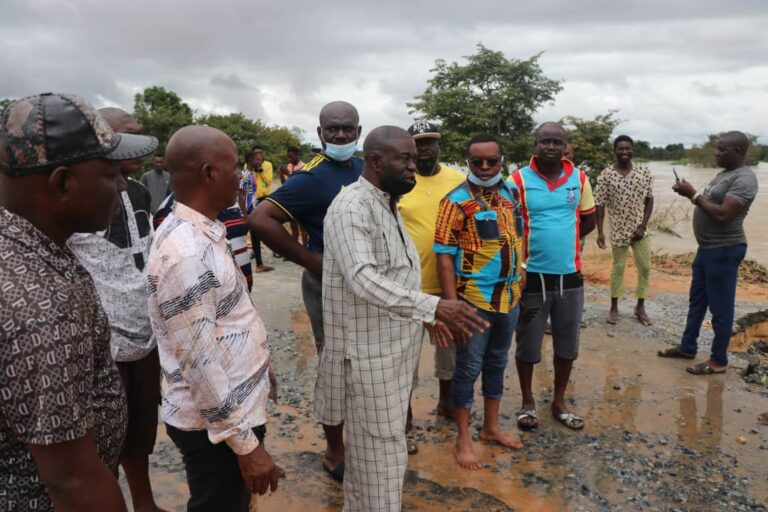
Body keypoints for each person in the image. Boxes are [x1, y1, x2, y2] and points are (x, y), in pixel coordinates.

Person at [316, 125, 489, 510]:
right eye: (405, 159)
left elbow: (396, 275)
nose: (415, 166)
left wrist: (424, 318)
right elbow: (363, 279)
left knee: (372, 464)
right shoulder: (352, 208)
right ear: (375, 161)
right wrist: (434, 307)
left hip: (391, 359)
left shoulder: (387, 204)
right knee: (382, 461)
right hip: (367, 364)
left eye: (415, 158)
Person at [0, 92, 157, 511]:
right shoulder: (41, 308)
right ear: (63, 183)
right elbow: (71, 482)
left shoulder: (27, 247)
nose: (123, 184)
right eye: (109, 174)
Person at [146, 126, 283, 511]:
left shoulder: (204, 230)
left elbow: (224, 322)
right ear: (208, 173)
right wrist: (246, 446)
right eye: (234, 166)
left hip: (228, 413)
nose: (241, 174)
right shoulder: (186, 253)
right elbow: (199, 363)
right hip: (214, 427)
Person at [250, 100, 364, 482]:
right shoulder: (312, 176)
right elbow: (262, 218)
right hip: (328, 286)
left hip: (364, 284)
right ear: (320, 133)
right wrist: (311, 260)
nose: (341, 136)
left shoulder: (364, 168)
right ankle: (334, 449)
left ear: (359, 132)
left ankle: (360, 438)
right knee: (335, 367)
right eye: (333, 129)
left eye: (348, 128)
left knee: (363, 365)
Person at [67, 107, 167, 512]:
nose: (140, 146)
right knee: (101, 433)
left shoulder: (140, 192)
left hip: (143, 330)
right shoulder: (79, 196)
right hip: (101, 339)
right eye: (129, 137)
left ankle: (144, 502)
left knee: (140, 428)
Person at [434, 133, 525, 469]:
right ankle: (463, 438)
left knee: (498, 363)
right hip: (474, 300)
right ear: (468, 162)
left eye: (492, 161)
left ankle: (490, 428)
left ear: (502, 161)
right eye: (477, 162)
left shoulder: (510, 192)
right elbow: (444, 256)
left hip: (509, 296)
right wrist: (451, 305)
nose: (485, 167)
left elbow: (518, 234)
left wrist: (523, 269)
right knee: (468, 368)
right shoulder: (455, 200)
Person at [510, 122, 596, 431]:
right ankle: (527, 401)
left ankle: (559, 401)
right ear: (535, 145)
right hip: (532, 278)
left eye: (556, 142)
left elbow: (588, 220)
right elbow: (508, 224)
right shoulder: (517, 179)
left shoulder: (580, 178)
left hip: (570, 278)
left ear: (565, 146)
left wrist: (565, 242)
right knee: (528, 344)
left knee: (566, 344)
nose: (550, 146)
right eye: (545, 141)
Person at [658, 131, 758, 375]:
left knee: (721, 309)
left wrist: (692, 194)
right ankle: (687, 346)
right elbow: (709, 203)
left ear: (737, 151)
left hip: (724, 250)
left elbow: (723, 215)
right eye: (717, 148)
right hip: (707, 249)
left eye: (721, 149)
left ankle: (719, 360)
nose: (716, 153)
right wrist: (690, 193)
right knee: (697, 301)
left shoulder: (745, 179)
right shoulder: (724, 174)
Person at [397, 121, 465, 447]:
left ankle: (446, 404)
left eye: (429, 143)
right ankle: (405, 421)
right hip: (407, 287)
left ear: (439, 145)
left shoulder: (457, 180)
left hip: (447, 286)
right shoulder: (399, 180)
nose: (423, 149)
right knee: (404, 357)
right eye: (417, 143)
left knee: (448, 351)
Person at [595, 135, 654, 326]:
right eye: (620, 148)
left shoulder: (643, 172)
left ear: (633, 150)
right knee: (618, 268)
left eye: (628, 148)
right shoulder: (606, 175)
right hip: (618, 229)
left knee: (645, 267)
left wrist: (643, 225)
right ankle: (613, 308)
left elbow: (649, 199)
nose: (624, 152)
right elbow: (599, 205)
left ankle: (640, 306)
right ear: (615, 151)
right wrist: (600, 232)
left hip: (640, 230)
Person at [152, 192, 254, 291]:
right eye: (235, 172)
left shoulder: (232, 201)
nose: (240, 175)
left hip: (243, 295)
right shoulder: (168, 212)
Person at [242, 150, 273, 272]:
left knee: (255, 237)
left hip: (252, 211)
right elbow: (241, 195)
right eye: (257, 159)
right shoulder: (244, 175)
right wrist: (245, 214)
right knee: (240, 236)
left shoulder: (251, 174)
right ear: (250, 161)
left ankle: (259, 265)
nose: (259, 161)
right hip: (247, 213)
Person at [280, 146, 307, 246]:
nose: (289, 159)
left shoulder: (305, 166)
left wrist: (288, 174)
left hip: (302, 200)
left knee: (303, 227)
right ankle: (295, 249)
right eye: (288, 157)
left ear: (297, 155)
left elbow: (301, 183)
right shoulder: (289, 166)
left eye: (291, 157)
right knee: (293, 225)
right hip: (292, 200)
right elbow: (285, 183)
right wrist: (282, 174)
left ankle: (305, 248)